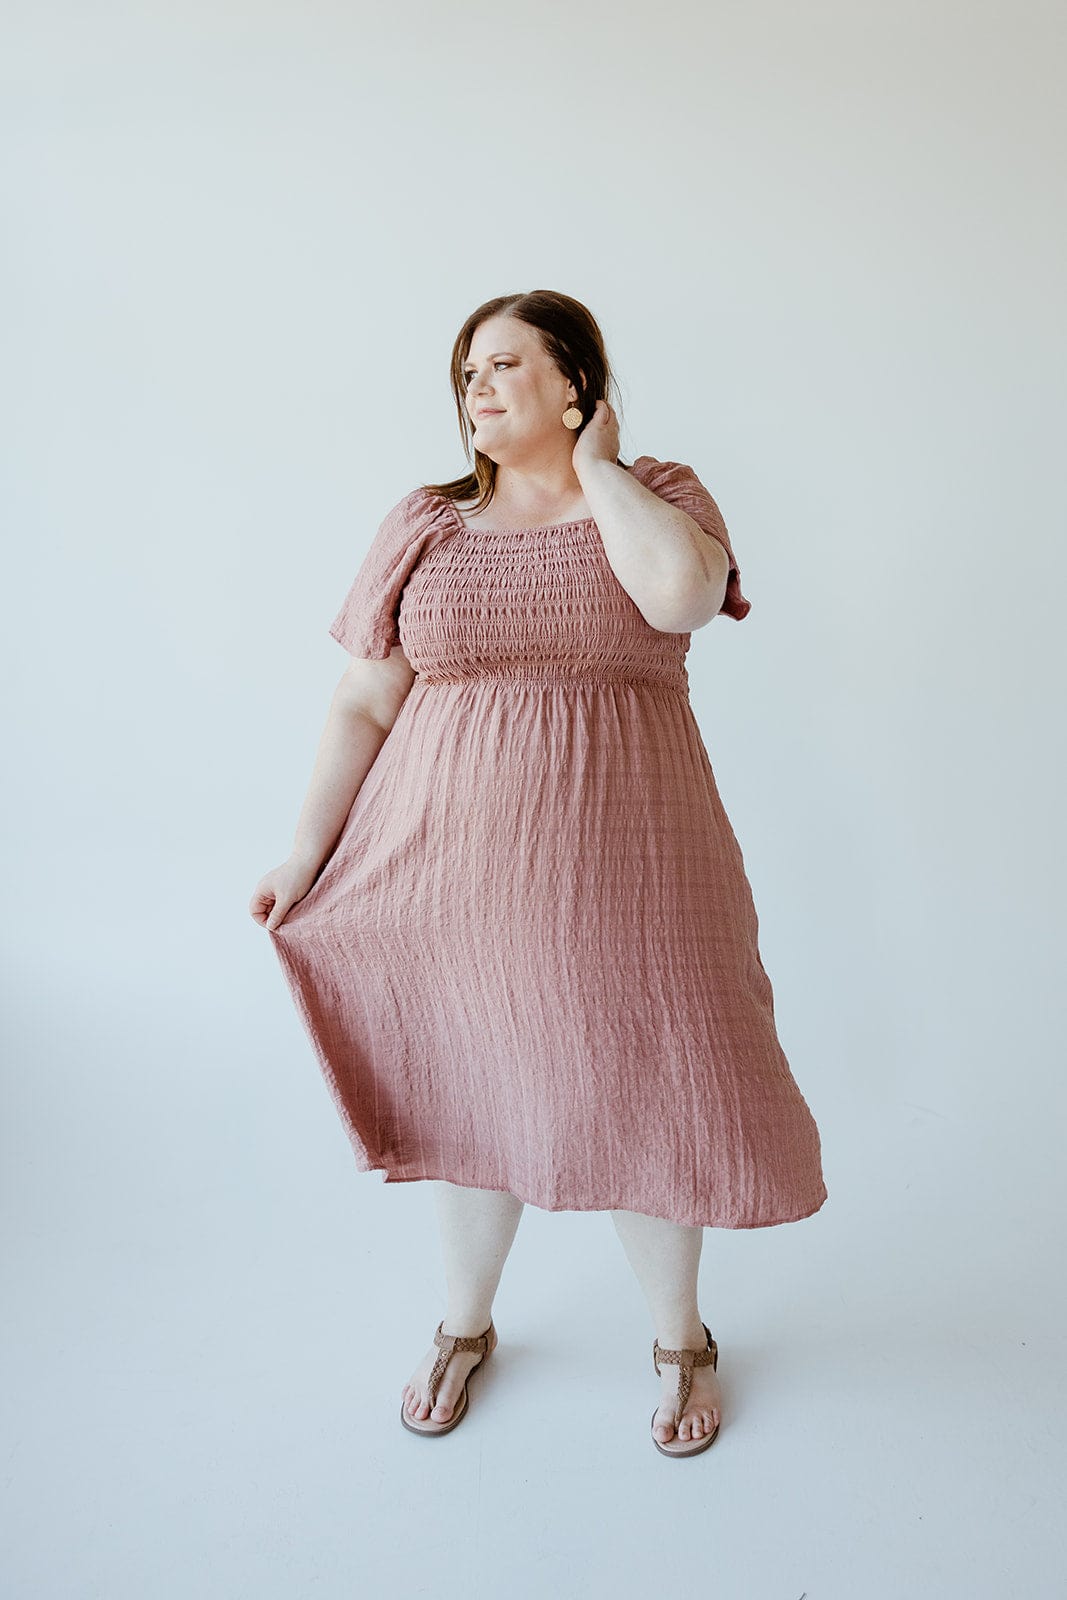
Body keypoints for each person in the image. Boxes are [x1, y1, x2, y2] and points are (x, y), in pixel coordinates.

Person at [249, 289, 827, 1458]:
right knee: (474, 1082)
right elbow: (365, 698)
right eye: (466, 369)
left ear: (575, 382)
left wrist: (599, 468)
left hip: (635, 866)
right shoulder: (424, 520)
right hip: (449, 871)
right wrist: (303, 851)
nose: (476, 385)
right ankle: (465, 1324)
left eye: (505, 364)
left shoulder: (660, 494)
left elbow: (678, 597)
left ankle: (679, 1338)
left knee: (653, 1083)